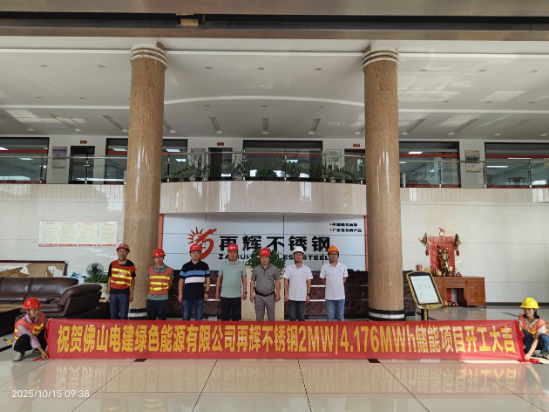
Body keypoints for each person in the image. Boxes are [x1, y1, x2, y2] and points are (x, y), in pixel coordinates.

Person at [179, 243, 211, 321]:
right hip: (187, 296)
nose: (195, 254)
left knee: (199, 318)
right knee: (186, 317)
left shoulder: (204, 266)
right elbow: (181, 282)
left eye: (197, 252)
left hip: (199, 296)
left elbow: (208, 279)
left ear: (200, 254)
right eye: (193, 253)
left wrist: (207, 292)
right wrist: (180, 294)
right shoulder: (185, 266)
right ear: (190, 254)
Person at [216, 243, 247, 321]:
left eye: (234, 252)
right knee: (224, 317)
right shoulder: (223, 265)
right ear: (228, 253)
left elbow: (244, 279)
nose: (232, 254)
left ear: (237, 253)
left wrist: (244, 292)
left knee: (236, 317)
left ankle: (235, 330)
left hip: (236, 296)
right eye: (230, 252)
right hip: (225, 296)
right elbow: (219, 279)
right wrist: (217, 292)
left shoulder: (241, 265)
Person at [12, 298, 48, 362]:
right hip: (21, 344)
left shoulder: (41, 315)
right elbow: (32, 337)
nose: (37, 312)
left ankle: (37, 350)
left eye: (38, 309)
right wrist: (42, 351)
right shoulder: (21, 324)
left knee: (46, 331)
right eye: (34, 310)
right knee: (25, 336)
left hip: (34, 340)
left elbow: (45, 324)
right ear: (28, 311)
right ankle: (20, 352)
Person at [250, 247, 281, 321]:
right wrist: (251, 294)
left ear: (269, 258)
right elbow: (252, 281)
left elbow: (278, 281)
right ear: (260, 258)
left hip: (270, 296)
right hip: (258, 297)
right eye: (262, 257)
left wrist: (278, 294)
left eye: (266, 257)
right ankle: (259, 329)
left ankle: (271, 329)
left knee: (271, 317)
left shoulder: (274, 268)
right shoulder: (256, 269)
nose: (264, 259)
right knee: (259, 317)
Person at [108, 243, 136, 320]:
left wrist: (132, 293)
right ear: (117, 252)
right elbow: (109, 279)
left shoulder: (130, 264)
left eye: (124, 251)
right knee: (113, 315)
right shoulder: (112, 264)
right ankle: (114, 328)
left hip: (124, 293)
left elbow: (133, 280)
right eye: (120, 251)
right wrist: (108, 293)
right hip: (113, 293)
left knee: (123, 315)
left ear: (127, 252)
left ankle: (123, 328)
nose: (122, 253)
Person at [320, 245, 349, 321]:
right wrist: (330, 284)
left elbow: (344, 279)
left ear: (338, 255)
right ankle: (330, 330)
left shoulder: (343, 266)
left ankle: (341, 329)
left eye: (335, 254)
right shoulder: (325, 267)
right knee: (330, 317)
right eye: (331, 254)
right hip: (329, 296)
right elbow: (322, 279)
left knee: (340, 316)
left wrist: (337, 284)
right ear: (328, 255)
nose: (333, 256)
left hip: (340, 296)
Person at [284, 246, 313, 321]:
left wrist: (308, 294)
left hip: (302, 297)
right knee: (292, 317)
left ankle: (301, 329)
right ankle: (292, 329)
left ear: (303, 256)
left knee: (301, 317)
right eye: (296, 254)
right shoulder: (289, 268)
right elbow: (286, 281)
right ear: (293, 256)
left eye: (300, 254)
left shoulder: (307, 269)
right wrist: (286, 294)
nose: (298, 256)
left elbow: (309, 282)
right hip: (292, 297)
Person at [146, 248, 173, 320]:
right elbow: (149, 283)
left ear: (163, 258)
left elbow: (170, 284)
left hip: (163, 298)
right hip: (151, 298)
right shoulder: (149, 270)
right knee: (150, 320)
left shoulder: (169, 270)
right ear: (154, 258)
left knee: (162, 320)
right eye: (156, 257)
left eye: (160, 257)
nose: (158, 259)